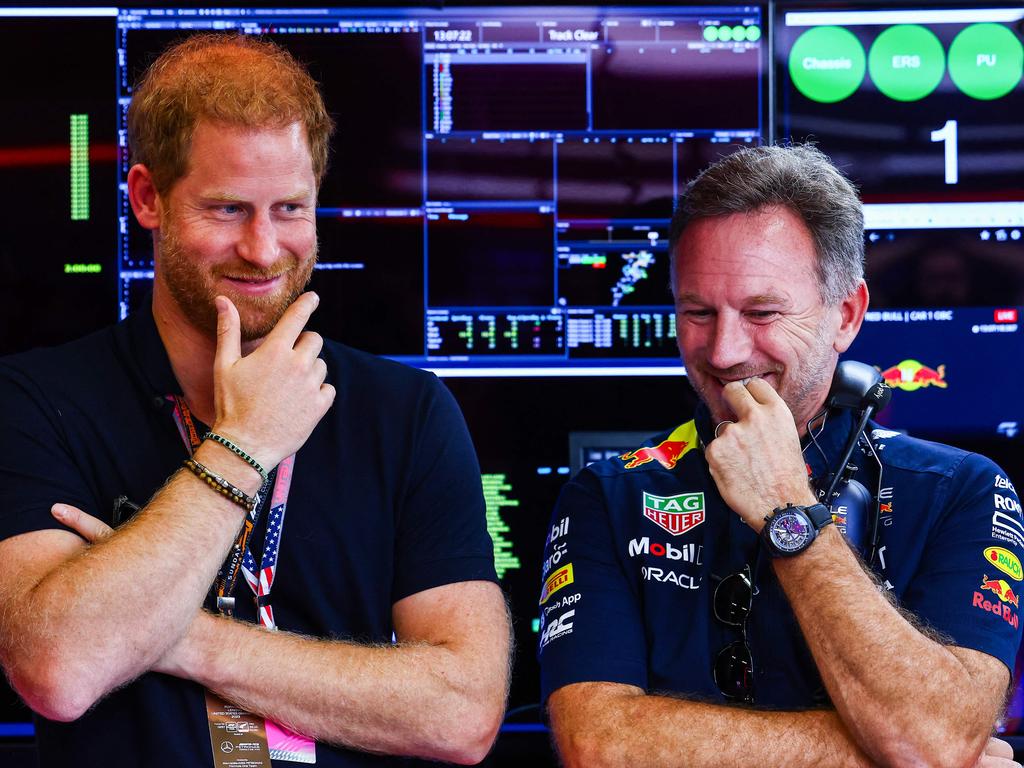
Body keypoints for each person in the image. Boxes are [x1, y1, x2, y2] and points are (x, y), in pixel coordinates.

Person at [0, 34, 510, 767]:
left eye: (291, 208)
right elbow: (61, 670)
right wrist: (243, 446)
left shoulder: (408, 412)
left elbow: (463, 715)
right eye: (229, 209)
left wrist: (159, 631)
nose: (265, 249)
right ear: (148, 198)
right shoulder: (33, 402)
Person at [538, 144, 1024, 768]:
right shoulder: (606, 495)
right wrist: (881, 753)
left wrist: (787, 511)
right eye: (697, 312)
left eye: (762, 312)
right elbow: (598, 744)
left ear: (845, 314)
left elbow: (934, 736)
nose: (723, 352)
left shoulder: (962, 488)